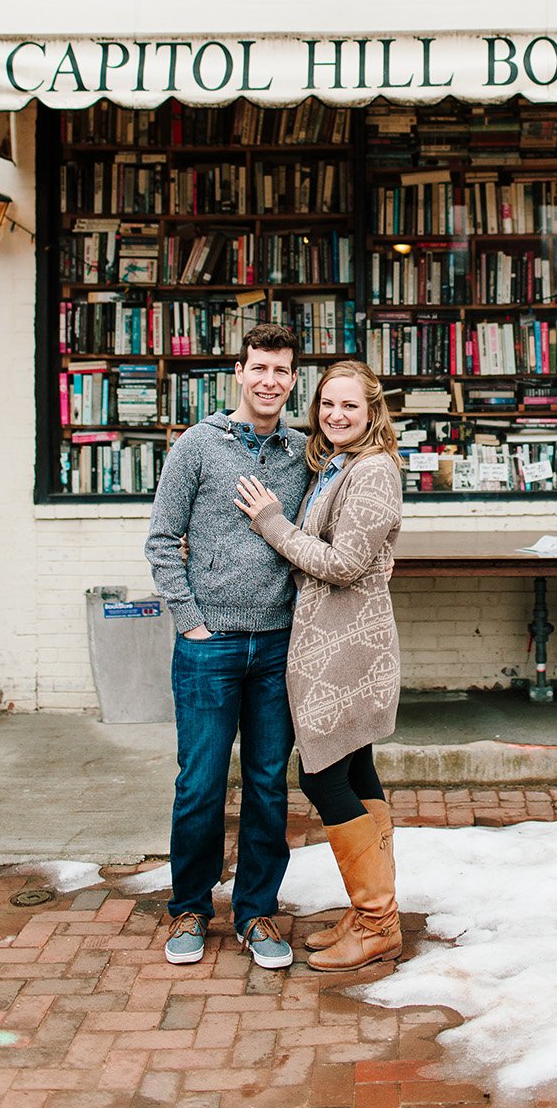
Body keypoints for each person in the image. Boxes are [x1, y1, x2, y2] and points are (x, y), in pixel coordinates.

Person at [144, 322, 310, 970]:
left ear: (293, 381)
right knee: (201, 784)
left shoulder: (303, 453)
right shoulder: (198, 446)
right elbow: (162, 539)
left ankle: (256, 912)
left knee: (269, 784)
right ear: (238, 374)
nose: (269, 381)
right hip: (209, 645)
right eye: (259, 368)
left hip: (276, 645)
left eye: (281, 371)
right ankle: (189, 907)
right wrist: (190, 620)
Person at [234, 359, 405, 973]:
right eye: (327, 403)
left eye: (349, 406)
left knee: (323, 776)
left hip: (348, 651)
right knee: (354, 772)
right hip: (332, 647)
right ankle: (370, 916)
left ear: (372, 411)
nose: (335, 414)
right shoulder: (341, 463)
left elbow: (343, 564)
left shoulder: (375, 471)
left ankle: (378, 920)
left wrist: (271, 522)